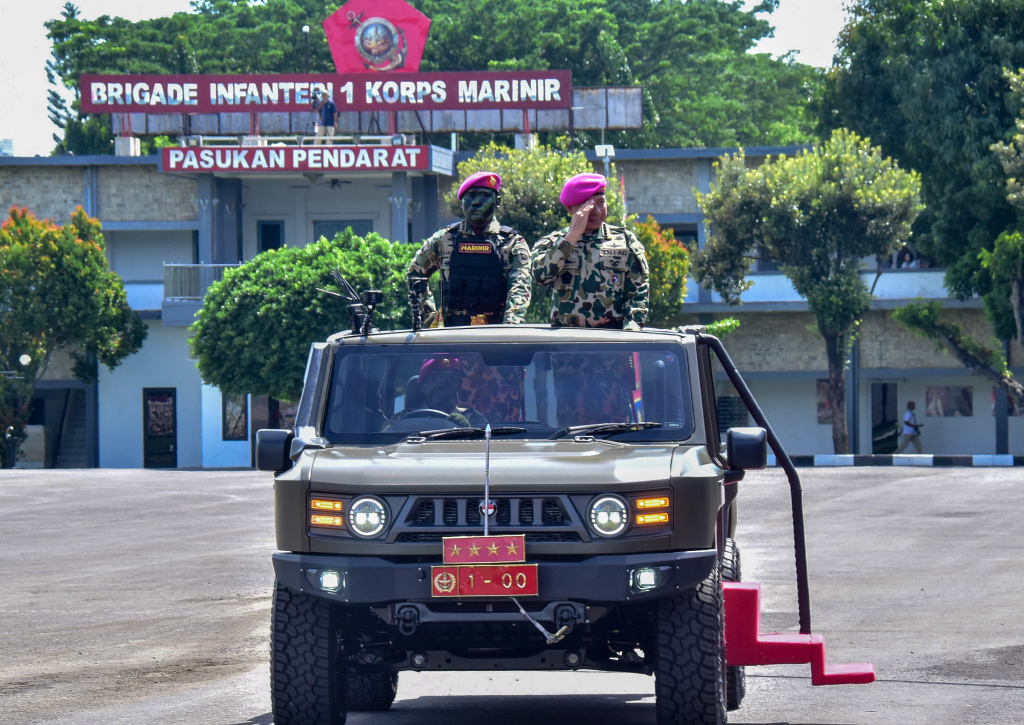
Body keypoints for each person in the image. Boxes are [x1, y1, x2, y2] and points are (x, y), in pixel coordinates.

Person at [407, 171, 531, 326]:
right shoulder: (444, 239)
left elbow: (520, 287)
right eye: (470, 196)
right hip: (451, 333)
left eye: (484, 196)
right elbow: (415, 272)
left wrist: (510, 327)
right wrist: (429, 315)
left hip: (496, 332)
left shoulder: (513, 242)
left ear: (497, 202)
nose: (476, 202)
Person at [531, 172, 649, 330]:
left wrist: (631, 331)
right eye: (588, 206)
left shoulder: (625, 241)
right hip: (565, 341)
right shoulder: (552, 242)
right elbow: (540, 276)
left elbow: (638, 290)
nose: (597, 211)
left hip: (611, 341)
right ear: (570, 208)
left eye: (601, 202)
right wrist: (572, 236)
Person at [386, 357, 487, 429]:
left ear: (458, 384)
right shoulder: (402, 418)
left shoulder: (473, 418)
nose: (439, 384)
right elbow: (381, 443)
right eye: (433, 379)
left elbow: (487, 449)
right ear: (422, 386)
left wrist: (468, 431)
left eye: (447, 380)